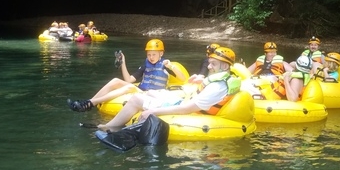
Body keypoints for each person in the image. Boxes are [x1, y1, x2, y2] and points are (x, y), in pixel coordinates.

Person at [97, 46, 241, 132]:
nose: (209, 67)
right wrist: (202, 80)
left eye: (213, 64)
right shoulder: (225, 80)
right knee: (152, 93)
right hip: (186, 99)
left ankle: (110, 127)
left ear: (225, 66)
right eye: (209, 63)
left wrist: (153, 111)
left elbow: (186, 109)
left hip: (188, 109)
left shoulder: (216, 87)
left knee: (136, 99)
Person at [67, 39, 185, 112]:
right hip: (141, 90)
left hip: (152, 95)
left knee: (129, 87)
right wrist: (123, 62)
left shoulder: (165, 64)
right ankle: (88, 103)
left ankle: (90, 103)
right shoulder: (146, 65)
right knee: (115, 80)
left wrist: (171, 66)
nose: (151, 57)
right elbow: (129, 80)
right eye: (149, 54)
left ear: (161, 53)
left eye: (154, 54)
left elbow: (183, 79)